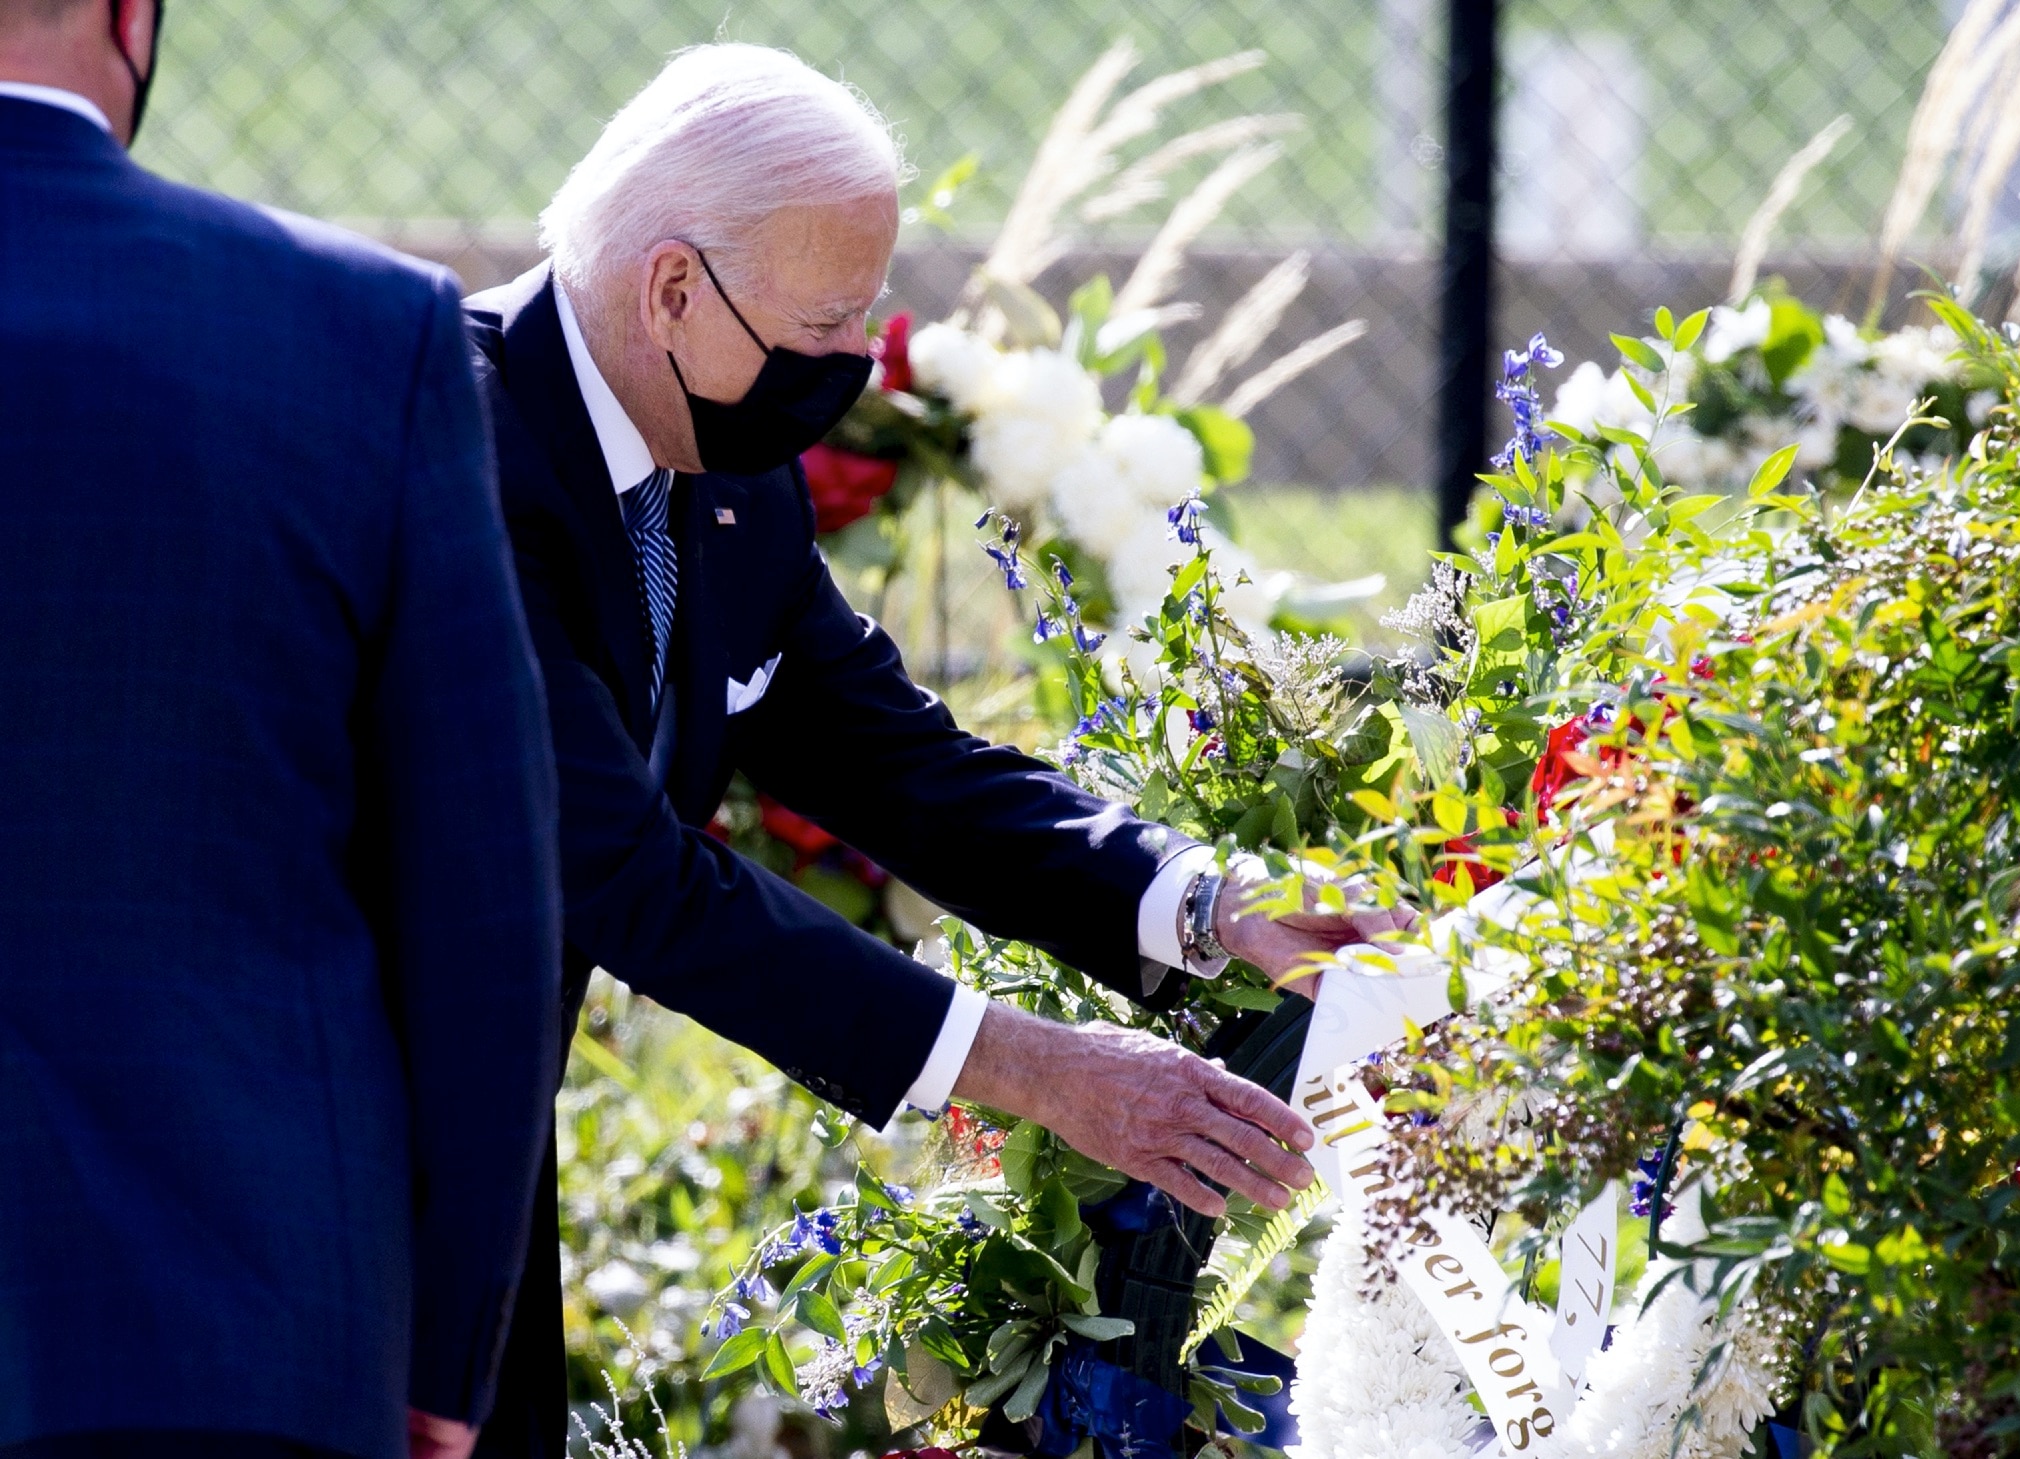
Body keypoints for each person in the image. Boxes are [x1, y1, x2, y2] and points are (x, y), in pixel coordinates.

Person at [463, 43, 1413, 1457]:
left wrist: (1206, 903)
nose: (854, 368)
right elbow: (622, 875)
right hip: (308, 1119)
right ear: (672, 287)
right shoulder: (460, 444)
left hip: (471, 1127)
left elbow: (891, 756)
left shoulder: (723, 476)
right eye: (830, 322)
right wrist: (1040, 1070)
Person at [0, 4, 564, 1459]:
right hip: (244, 1331)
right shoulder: (359, 334)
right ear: (133, 17)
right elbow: (484, 905)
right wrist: (448, 1347)